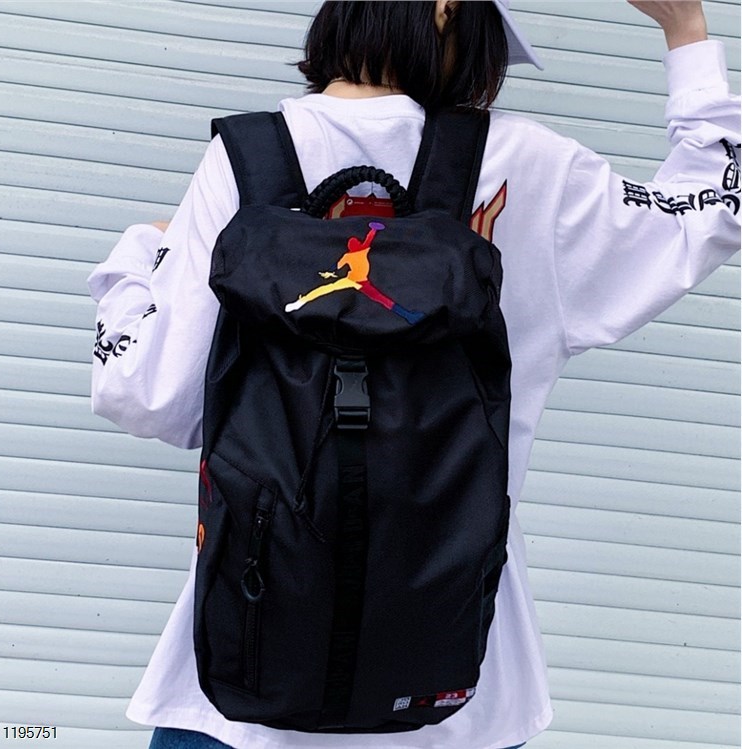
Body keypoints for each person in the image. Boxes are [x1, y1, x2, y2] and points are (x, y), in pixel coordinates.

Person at [87, 1, 740, 747]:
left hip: (244, 686)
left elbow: (150, 397)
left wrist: (137, 260)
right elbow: (714, 210)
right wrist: (686, 31)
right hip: (462, 700)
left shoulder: (245, 157)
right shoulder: (530, 166)